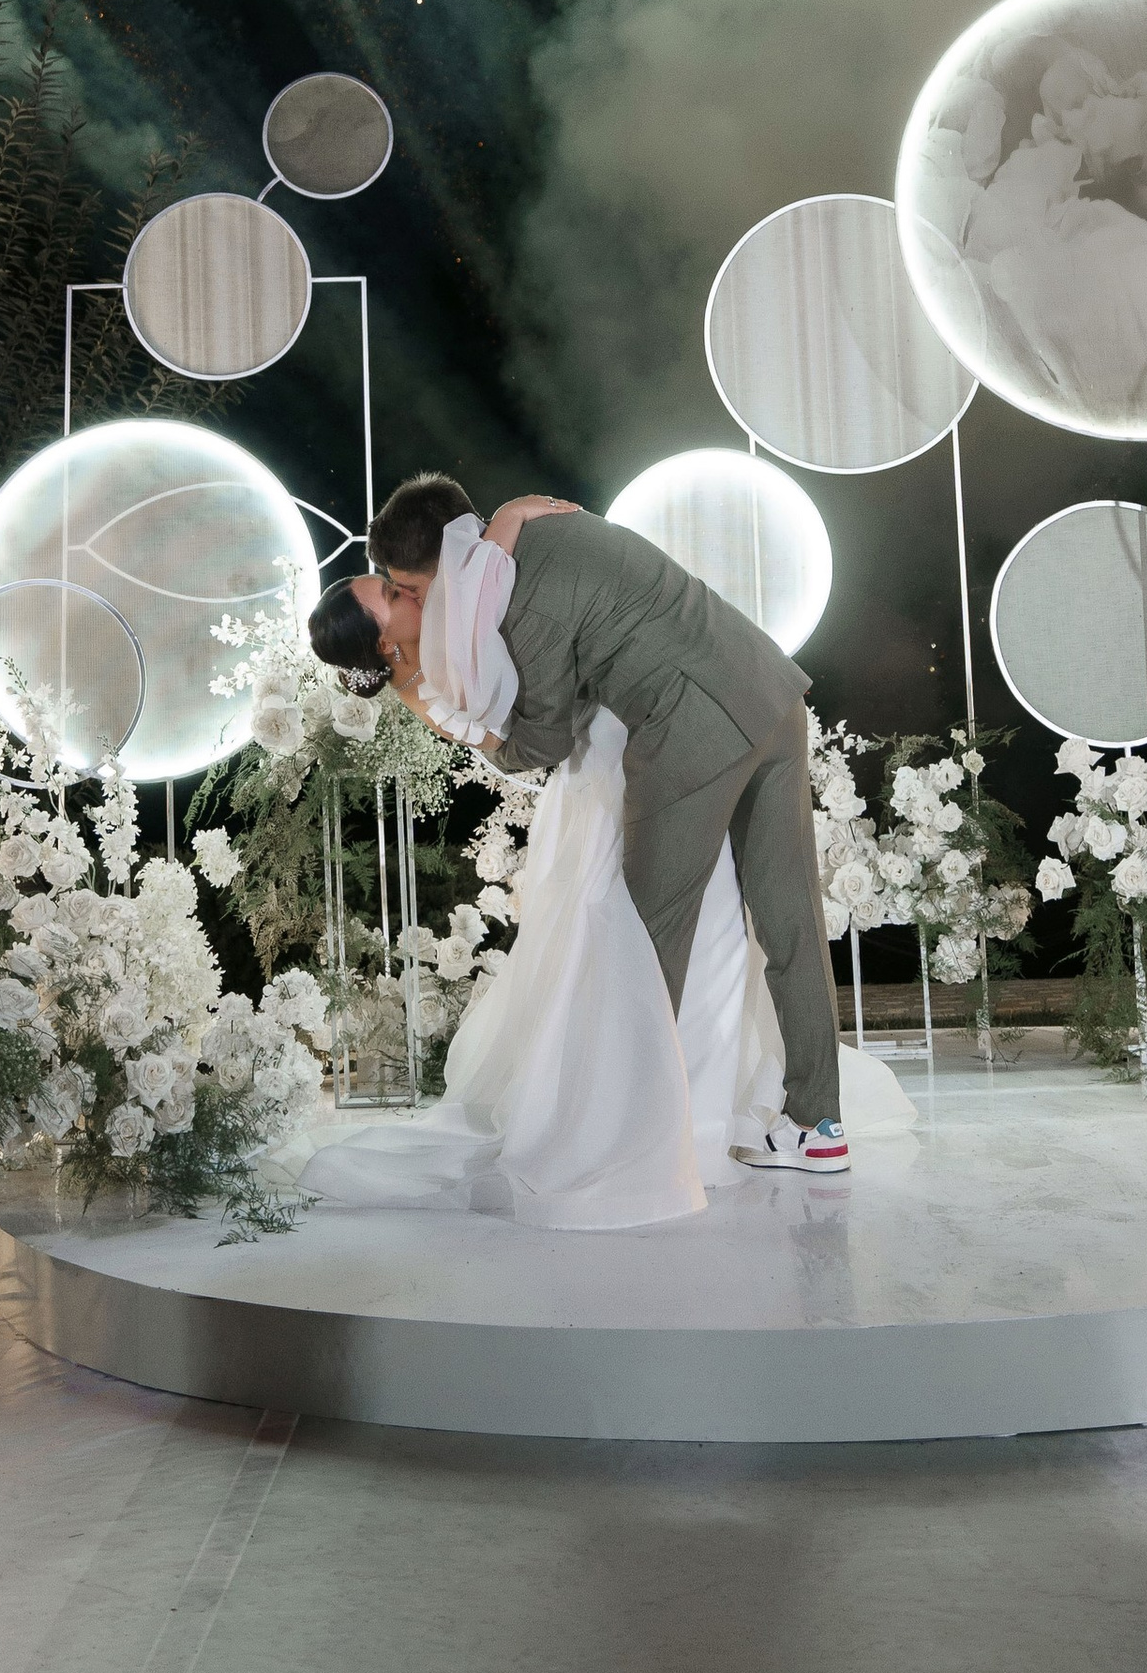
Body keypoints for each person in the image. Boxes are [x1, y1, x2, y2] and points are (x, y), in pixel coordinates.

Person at [318, 470, 854, 1181]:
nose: (416, 600)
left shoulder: (512, 601)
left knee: (645, 933)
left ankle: (631, 1137)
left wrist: (479, 737)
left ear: (435, 569)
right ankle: (821, 1124)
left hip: (696, 727)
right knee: (791, 921)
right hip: (770, 691)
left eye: (406, 586)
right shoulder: (540, 530)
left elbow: (540, 746)